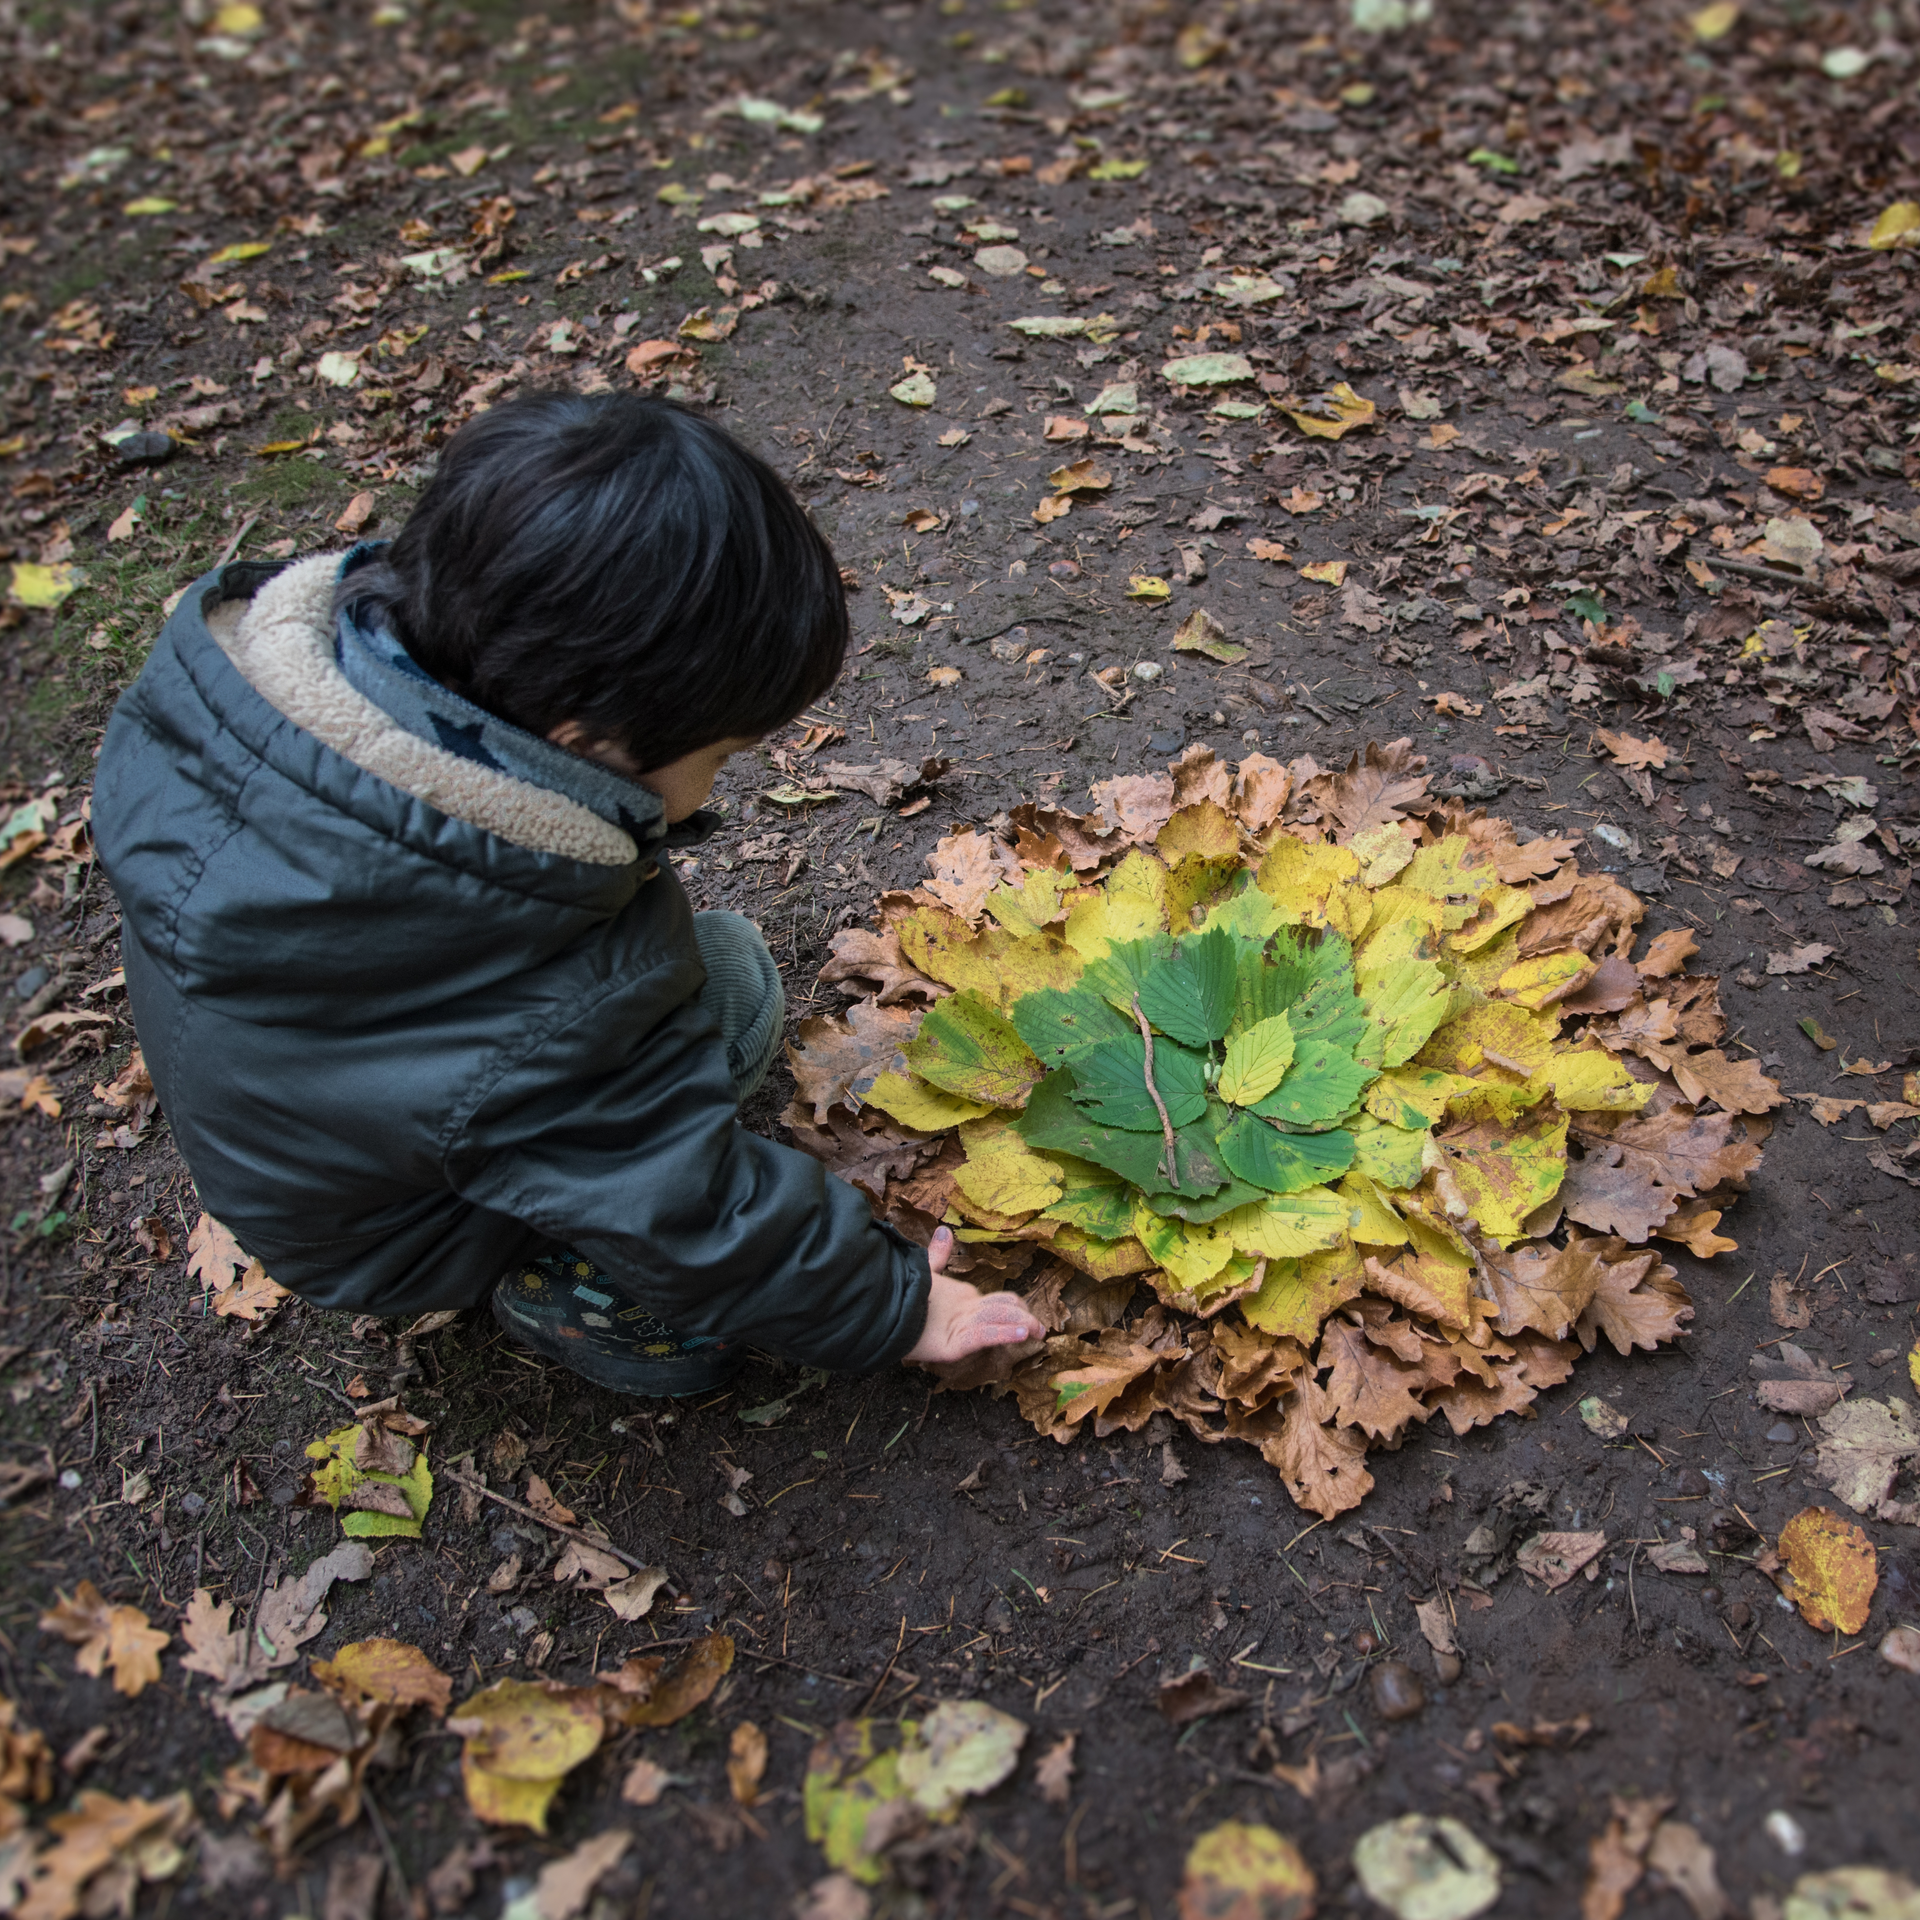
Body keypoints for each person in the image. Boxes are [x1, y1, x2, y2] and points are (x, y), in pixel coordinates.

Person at [93, 393, 1043, 1394]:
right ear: (582, 741)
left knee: (711, 971)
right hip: (395, 1237)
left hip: (301, 1130)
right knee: (731, 1001)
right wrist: (888, 1303)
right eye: (719, 754)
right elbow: (685, 1207)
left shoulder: (263, 709)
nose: (718, 784)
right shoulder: (529, 998)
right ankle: (567, 1289)